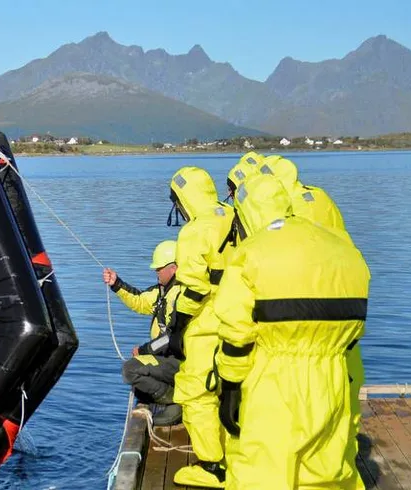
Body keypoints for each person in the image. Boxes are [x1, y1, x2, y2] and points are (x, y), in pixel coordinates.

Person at [213, 174, 368, 489]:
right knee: (327, 475)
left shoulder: (251, 253)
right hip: (333, 380)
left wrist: (229, 389)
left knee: (261, 475)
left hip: (273, 384)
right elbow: (355, 329)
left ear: (246, 214)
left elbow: (236, 333)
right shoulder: (342, 247)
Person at [167, 166, 235, 488]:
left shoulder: (194, 231)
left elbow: (195, 289)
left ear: (183, 198)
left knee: (196, 393)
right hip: (241, 321)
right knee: (232, 390)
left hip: (206, 326)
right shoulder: (235, 215)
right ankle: (236, 457)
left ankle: (212, 467)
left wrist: (178, 326)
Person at [102, 240, 184, 426]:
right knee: (138, 378)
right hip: (166, 358)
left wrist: (145, 350)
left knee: (130, 370)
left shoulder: (181, 295)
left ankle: (174, 398)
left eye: (159, 269)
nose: (156, 272)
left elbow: (172, 337)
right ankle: (165, 393)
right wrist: (116, 284)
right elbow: (140, 301)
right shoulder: (163, 291)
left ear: (173, 268)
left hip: (179, 360)